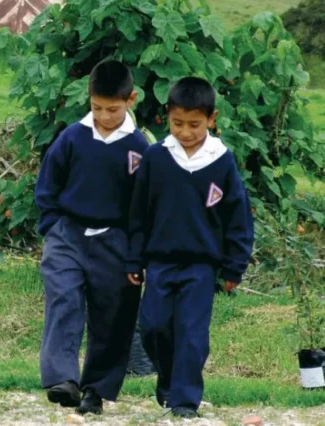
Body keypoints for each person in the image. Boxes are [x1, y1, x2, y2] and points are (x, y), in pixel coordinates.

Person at [126, 77, 255, 418]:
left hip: (202, 266)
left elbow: (238, 218)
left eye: (195, 125)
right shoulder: (155, 158)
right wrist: (133, 258)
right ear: (167, 116)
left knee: (192, 333)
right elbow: (138, 213)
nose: (185, 132)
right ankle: (168, 379)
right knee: (153, 326)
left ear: (211, 119)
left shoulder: (222, 161)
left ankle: (184, 401)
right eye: (177, 123)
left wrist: (234, 267)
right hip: (159, 262)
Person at [35, 59, 149, 415]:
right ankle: (62, 380)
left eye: (112, 109)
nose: (103, 115)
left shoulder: (140, 148)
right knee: (63, 300)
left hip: (115, 242)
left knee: (112, 315)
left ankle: (95, 391)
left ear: (130, 100)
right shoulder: (72, 137)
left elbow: (143, 206)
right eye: (97, 107)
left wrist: (136, 254)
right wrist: (52, 226)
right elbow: (48, 184)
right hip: (67, 235)